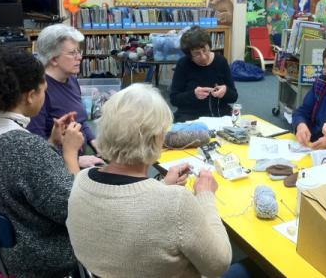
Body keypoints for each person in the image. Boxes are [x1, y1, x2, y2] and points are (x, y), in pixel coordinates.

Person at [66, 83, 232, 277]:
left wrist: (162, 187)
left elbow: (124, 209)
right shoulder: (176, 203)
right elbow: (219, 264)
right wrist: (205, 196)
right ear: (157, 138)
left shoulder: (81, 181)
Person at [0, 49, 84, 277]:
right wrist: (70, 153)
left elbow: (20, 179)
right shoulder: (25, 149)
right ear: (30, 96)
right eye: (44, 92)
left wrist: (51, 142)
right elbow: (76, 209)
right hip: (39, 258)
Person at [27, 23, 103, 166]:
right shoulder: (39, 91)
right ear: (53, 59)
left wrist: (95, 141)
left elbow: (80, 120)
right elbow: (36, 147)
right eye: (72, 53)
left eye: (79, 51)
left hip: (79, 153)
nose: (79, 57)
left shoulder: (71, 80)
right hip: (56, 164)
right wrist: (75, 159)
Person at [170, 26, 238, 122]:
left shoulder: (221, 61)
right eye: (197, 54)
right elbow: (174, 99)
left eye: (205, 50)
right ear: (190, 56)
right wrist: (193, 94)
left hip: (219, 114)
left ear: (209, 46)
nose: (203, 56)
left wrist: (225, 91)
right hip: (190, 115)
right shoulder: (183, 64)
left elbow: (234, 96)